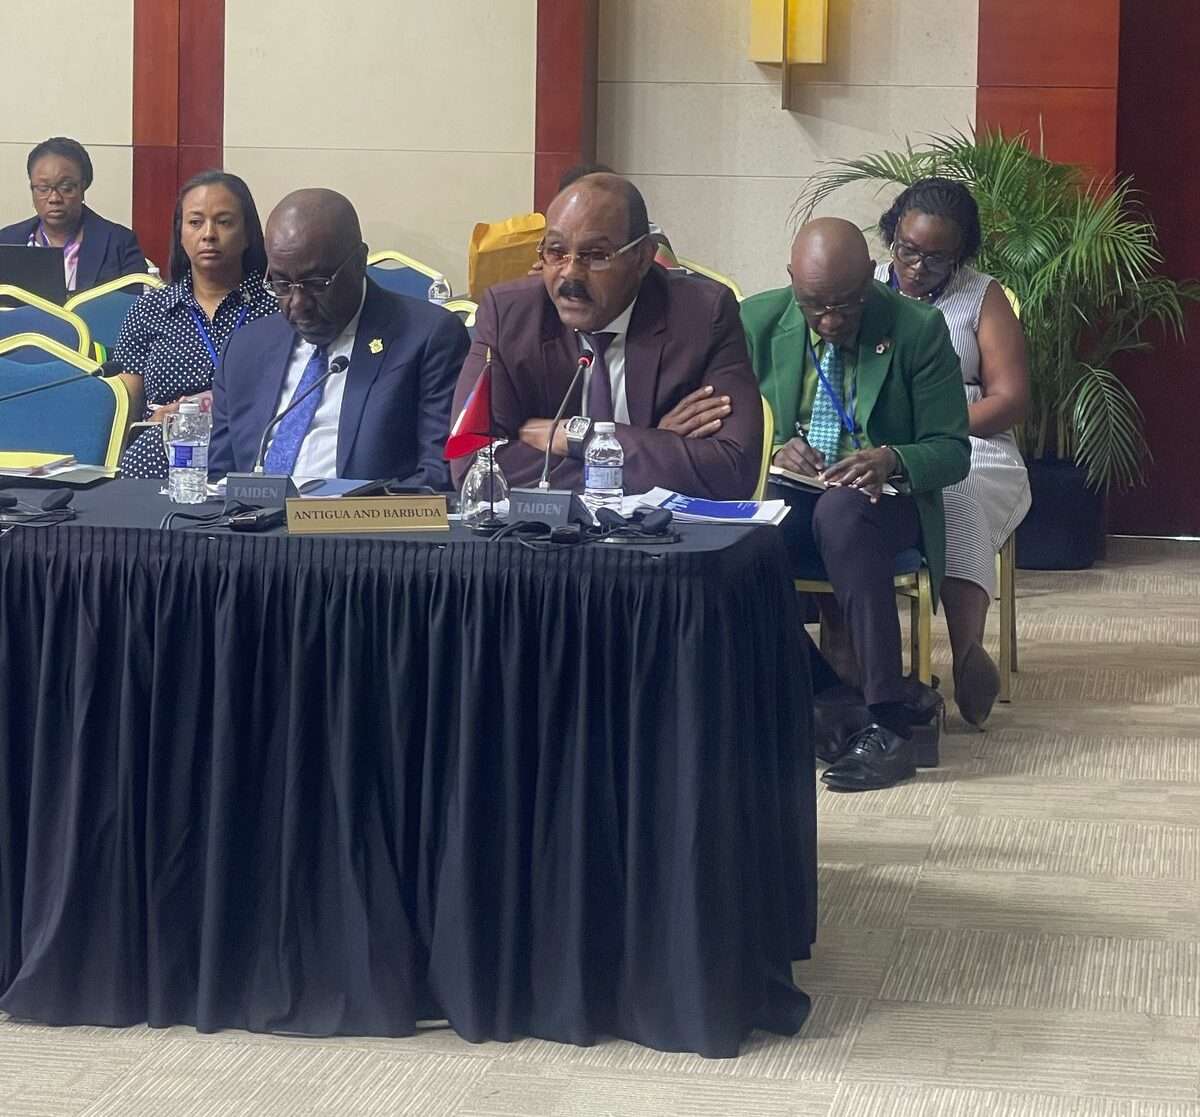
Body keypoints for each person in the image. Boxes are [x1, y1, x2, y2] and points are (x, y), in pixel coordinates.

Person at [740, 218, 970, 790]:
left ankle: (889, 724)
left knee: (841, 514)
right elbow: (731, 424)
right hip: (794, 493)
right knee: (736, 544)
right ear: (792, 281)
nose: (830, 320)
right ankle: (826, 694)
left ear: (871, 276)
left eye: (845, 304)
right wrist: (775, 446)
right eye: (815, 305)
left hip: (882, 503)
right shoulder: (757, 320)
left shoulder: (918, 329)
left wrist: (891, 457)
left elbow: (952, 451)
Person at [450, 172, 762, 499]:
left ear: (642, 258)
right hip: (542, 530)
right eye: (556, 251)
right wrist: (646, 445)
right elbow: (473, 463)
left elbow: (732, 469)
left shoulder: (701, 315)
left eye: (596, 255)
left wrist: (578, 438)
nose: (570, 272)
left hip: (664, 531)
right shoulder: (509, 315)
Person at [876, 178, 1030, 727]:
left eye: (936, 259)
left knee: (952, 482)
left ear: (961, 254)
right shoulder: (863, 287)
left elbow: (1010, 400)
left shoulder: (982, 296)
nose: (917, 268)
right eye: (908, 250)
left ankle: (967, 652)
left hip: (973, 441)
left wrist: (938, 430)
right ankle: (856, 661)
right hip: (880, 442)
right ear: (892, 235)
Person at [209, 188, 469, 487]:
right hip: (254, 516)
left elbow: (438, 475)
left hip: (363, 516)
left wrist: (341, 508)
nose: (297, 303)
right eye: (281, 283)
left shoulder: (428, 337)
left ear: (359, 262)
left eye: (317, 283)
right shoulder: (245, 348)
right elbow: (218, 478)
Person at [113, 171, 278, 479]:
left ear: (247, 234)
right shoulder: (149, 311)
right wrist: (150, 423)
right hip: (162, 452)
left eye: (224, 222)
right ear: (180, 233)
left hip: (249, 452)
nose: (209, 234)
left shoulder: (277, 311)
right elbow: (123, 413)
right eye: (195, 222)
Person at [0, 137, 146, 294]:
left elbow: (135, 304)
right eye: (43, 188)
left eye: (66, 188)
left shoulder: (120, 243)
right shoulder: (6, 240)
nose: (54, 198)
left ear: (83, 187)